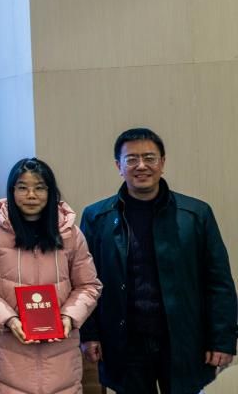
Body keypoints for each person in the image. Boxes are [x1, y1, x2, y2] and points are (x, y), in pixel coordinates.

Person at [80, 128, 238, 394]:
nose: (141, 166)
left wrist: (222, 339)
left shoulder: (195, 214)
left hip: (184, 340)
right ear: (119, 166)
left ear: (162, 163)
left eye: (149, 158)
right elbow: (85, 282)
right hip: (124, 342)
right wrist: (89, 334)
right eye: (131, 159)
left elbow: (219, 282)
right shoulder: (97, 217)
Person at [0, 158, 102, 393]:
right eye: (22, 187)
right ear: (11, 191)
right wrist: (9, 319)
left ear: (51, 192)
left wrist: (68, 317)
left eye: (39, 187)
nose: (31, 195)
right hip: (9, 353)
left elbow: (89, 285)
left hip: (61, 355)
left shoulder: (70, 234)